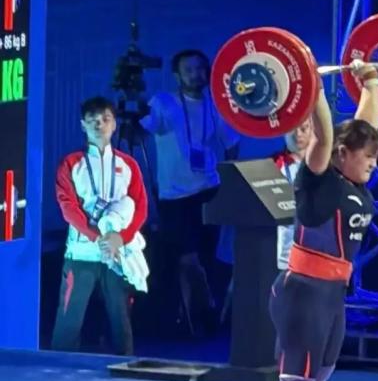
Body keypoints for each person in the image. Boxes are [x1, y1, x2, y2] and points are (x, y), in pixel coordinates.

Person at [269, 62, 378, 381]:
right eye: (366, 156)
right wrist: (312, 87)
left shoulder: (355, 178)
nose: (374, 161)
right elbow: (324, 134)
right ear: (341, 154)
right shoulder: (318, 177)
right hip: (303, 293)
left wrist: (371, 82)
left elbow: (365, 128)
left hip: (332, 295)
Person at [141, 49, 240, 332]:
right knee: (187, 257)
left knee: (204, 256)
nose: (195, 75)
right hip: (173, 195)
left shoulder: (215, 105)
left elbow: (232, 142)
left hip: (209, 189)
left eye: (199, 69)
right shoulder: (163, 102)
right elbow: (143, 128)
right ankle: (202, 310)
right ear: (177, 75)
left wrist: (228, 178)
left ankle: (194, 319)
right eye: (188, 70)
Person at [52, 96, 148, 355]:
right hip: (81, 254)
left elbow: (140, 207)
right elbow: (68, 208)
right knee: (69, 320)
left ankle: (124, 366)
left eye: (105, 119)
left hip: (118, 255)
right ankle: (58, 368)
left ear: (114, 124)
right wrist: (99, 239)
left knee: (121, 320)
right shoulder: (71, 163)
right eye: (92, 120)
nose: (99, 125)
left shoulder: (128, 165)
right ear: (82, 125)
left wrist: (121, 238)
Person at [273, 119, 313, 271]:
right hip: (284, 256)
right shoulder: (274, 165)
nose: (298, 134)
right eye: (292, 128)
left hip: (313, 253)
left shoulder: (322, 167)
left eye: (304, 128)